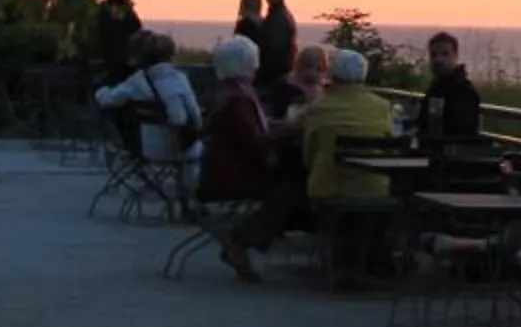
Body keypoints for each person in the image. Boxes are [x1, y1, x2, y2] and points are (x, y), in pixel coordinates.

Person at [299, 48, 400, 285]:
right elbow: (390, 147)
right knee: (369, 200)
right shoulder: (382, 107)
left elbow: (309, 155)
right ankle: (370, 266)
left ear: (331, 75)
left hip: (329, 185)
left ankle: (344, 267)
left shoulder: (318, 108)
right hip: (374, 188)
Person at [195, 34, 279, 281]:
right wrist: (289, 130)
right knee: (290, 190)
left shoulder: (228, 93)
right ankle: (241, 241)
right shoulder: (241, 98)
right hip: (234, 176)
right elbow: (254, 144)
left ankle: (242, 241)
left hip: (220, 169)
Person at [90, 31, 200, 167]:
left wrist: (101, 90)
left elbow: (107, 100)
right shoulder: (181, 79)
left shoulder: (138, 81)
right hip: (180, 147)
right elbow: (195, 115)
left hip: (147, 148)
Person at [417, 30, 482, 145]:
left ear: (456, 56)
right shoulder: (435, 88)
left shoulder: (464, 91)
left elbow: (462, 133)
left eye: (445, 54)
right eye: (433, 55)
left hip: (452, 157)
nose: (438, 60)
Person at [255, 0, 300, 113]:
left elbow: (275, 50)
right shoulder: (277, 15)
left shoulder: (279, 18)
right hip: (275, 76)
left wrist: (260, 73)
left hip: (274, 78)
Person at [91, 0, 142, 86]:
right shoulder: (127, 12)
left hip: (108, 53)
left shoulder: (104, 11)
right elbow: (137, 26)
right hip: (124, 53)